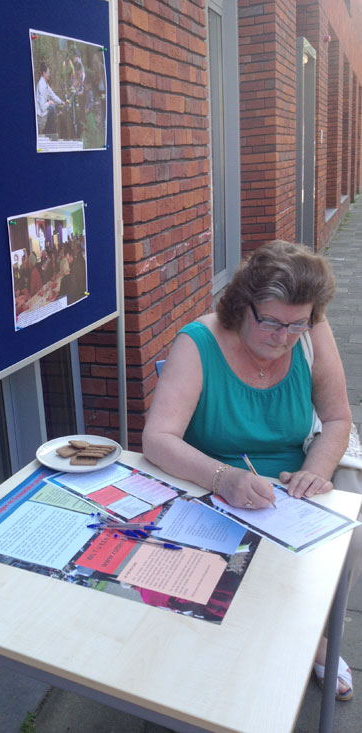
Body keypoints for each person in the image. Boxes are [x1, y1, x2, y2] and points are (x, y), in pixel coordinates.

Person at [142, 239, 360, 701]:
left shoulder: (310, 332)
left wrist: (315, 472)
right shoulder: (197, 343)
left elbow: (339, 418)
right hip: (210, 488)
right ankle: (299, 646)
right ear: (242, 305)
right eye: (271, 322)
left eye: (296, 325)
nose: (284, 337)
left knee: (347, 541)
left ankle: (307, 638)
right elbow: (157, 438)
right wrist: (224, 479)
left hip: (291, 494)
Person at [36, 62, 63, 136]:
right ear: (44, 73)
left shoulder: (45, 84)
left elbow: (52, 94)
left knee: (54, 107)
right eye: (48, 73)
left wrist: (61, 102)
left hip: (45, 113)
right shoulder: (41, 85)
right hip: (41, 117)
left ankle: (51, 133)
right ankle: (51, 134)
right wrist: (49, 103)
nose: (49, 74)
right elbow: (42, 107)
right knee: (52, 107)